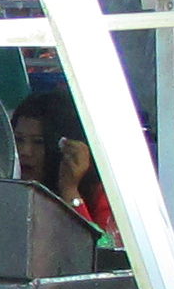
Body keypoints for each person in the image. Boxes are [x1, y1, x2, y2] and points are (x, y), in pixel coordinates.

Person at [13, 82, 111, 233]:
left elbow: (99, 250)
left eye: (39, 142)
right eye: (19, 140)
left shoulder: (100, 194)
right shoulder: (7, 190)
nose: (25, 151)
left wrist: (70, 191)